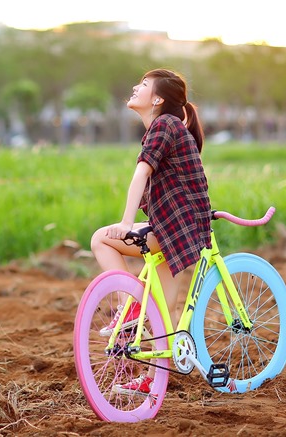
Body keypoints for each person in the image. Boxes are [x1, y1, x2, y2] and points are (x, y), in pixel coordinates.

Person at [90, 68, 211, 395]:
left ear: (157, 99)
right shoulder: (170, 127)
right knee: (163, 310)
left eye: (142, 85)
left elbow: (141, 173)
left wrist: (127, 224)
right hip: (179, 228)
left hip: (175, 228)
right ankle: (154, 377)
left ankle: (130, 306)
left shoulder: (164, 125)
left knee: (101, 239)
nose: (134, 87)